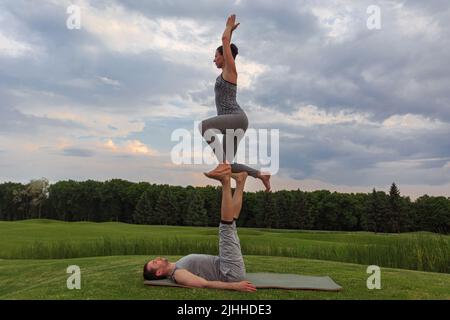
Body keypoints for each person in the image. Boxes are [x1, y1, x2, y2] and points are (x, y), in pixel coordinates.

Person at [143, 168, 257, 292]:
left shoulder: (177, 265)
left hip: (226, 265)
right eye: (155, 262)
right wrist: (234, 286)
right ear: (159, 272)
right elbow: (204, 284)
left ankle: (240, 181)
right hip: (229, 274)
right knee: (226, 227)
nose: (158, 258)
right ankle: (225, 181)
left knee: (231, 221)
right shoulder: (178, 274)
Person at [199, 14, 271, 192]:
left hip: (236, 118)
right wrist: (229, 35)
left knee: (203, 127)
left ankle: (222, 166)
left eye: (216, 56)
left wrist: (228, 28)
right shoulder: (225, 72)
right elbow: (226, 45)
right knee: (230, 163)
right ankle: (261, 174)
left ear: (224, 57)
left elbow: (224, 41)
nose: (214, 59)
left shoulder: (230, 71)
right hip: (234, 121)